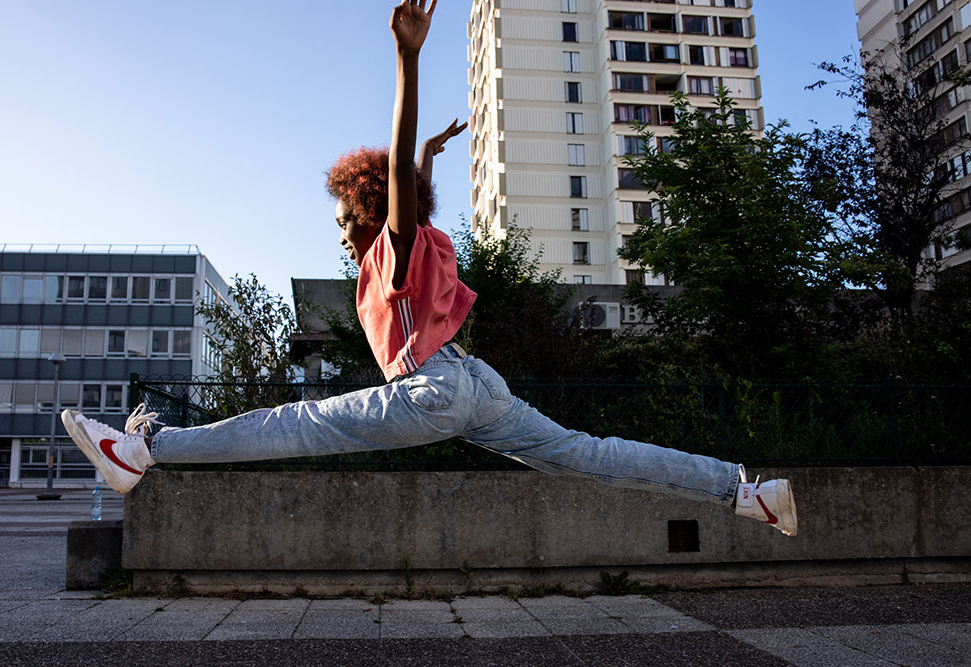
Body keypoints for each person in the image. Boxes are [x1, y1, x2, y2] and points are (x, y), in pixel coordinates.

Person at [62, 0, 797, 537]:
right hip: (479, 385)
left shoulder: (395, 243)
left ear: (369, 214)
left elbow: (399, 201)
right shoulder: (428, 243)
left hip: (437, 389)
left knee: (303, 421)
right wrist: (429, 159)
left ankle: (144, 450)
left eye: (348, 227)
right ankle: (744, 492)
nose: (348, 243)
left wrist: (408, 64)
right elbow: (409, 192)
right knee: (590, 454)